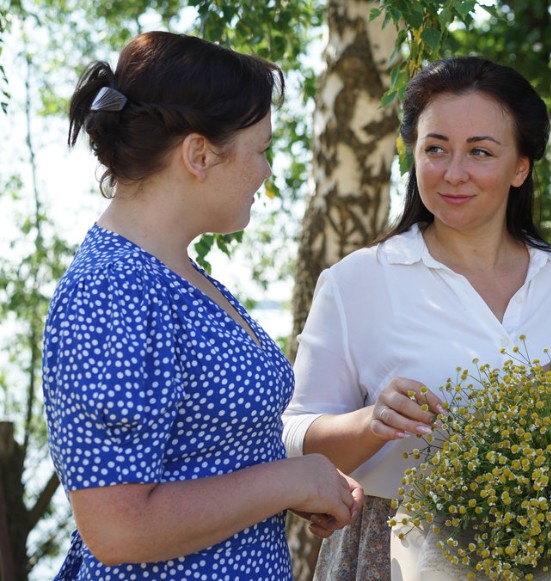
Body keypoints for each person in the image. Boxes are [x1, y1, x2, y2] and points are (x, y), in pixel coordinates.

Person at [282, 56, 551, 580]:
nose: (453, 173)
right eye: (435, 148)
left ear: (521, 167)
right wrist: (370, 422)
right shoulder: (357, 281)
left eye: (480, 152)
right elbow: (291, 438)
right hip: (400, 557)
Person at [44, 31, 364, 580]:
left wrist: (297, 484)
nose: (266, 170)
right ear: (199, 155)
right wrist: (287, 481)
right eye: (260, 149)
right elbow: (117, 528)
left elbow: (205, 460)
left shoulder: (176, 275)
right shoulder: (114, 290)